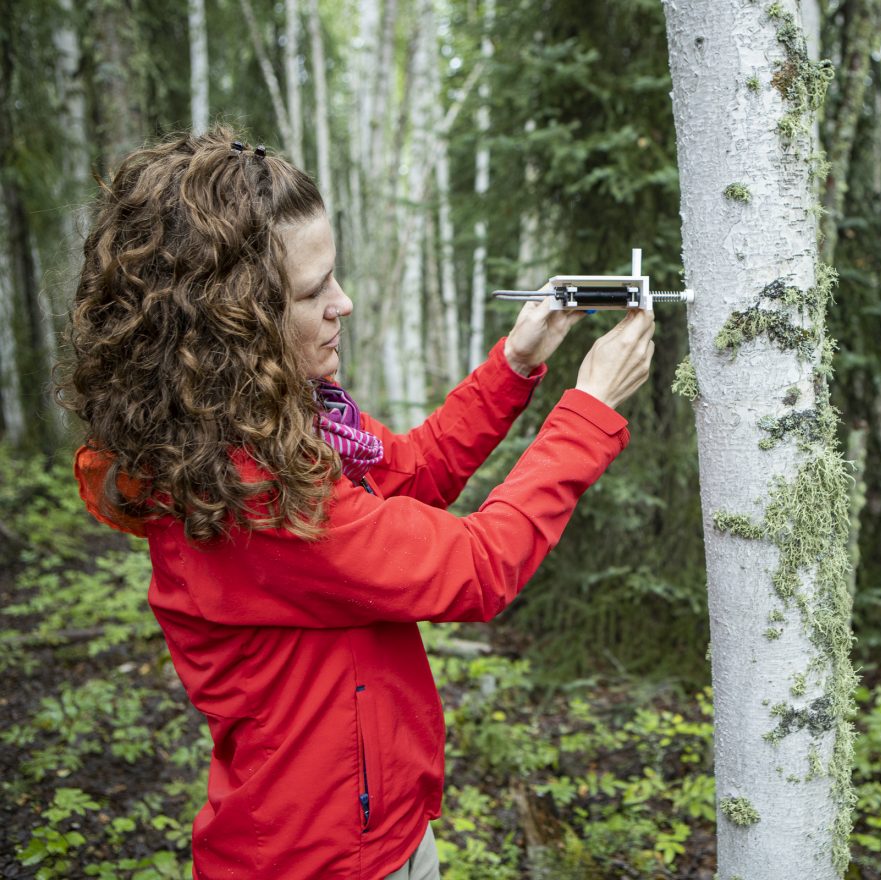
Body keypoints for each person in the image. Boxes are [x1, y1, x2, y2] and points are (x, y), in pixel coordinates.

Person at [61, 127, 655, 879]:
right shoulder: (255, 494)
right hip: (323, 860)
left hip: (373, 829)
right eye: (313, 292)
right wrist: (591, 408)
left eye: (332, 276)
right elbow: (477, 568)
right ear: (232, 325)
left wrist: (515, 364)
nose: (344, 303)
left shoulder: (275, 428)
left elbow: (405, 475)